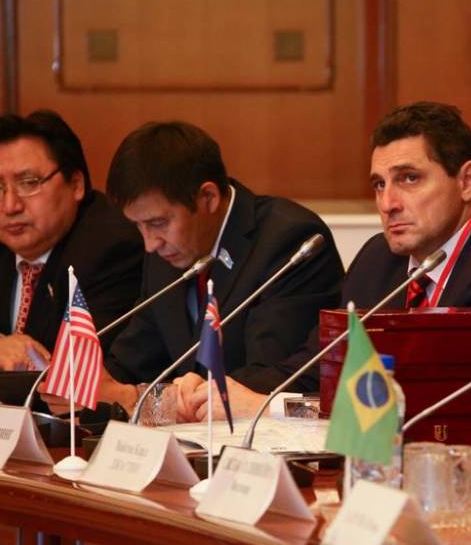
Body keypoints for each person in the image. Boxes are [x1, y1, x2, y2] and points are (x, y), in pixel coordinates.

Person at [174, 102, 471, 449]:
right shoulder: (381, 259)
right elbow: (316, 366)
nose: (388, 203)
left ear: (466, 181)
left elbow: (426, 405)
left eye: (409, 179)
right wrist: (220, 391)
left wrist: (268, 406)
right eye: (378, 184)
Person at [94, 121, 344, 413]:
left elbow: (269, 379)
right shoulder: (166, 253)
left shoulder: (288, 240)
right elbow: (130, 364)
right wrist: (87, 387)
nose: (149, 243)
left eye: (158, 223)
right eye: (138, 226)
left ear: (209, 198)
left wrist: (150, 402)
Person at [0, 111, 143, 378]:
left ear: (76, 185)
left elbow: (83, 372)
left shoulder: (112, 248)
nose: (11, 206)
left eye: (28, 183)